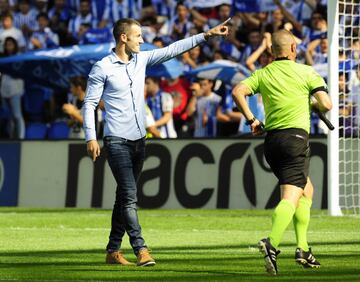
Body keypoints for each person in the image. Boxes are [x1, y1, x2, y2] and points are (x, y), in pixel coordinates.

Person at [82, 18, 230, 267]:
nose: (142, 40)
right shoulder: (102, 67)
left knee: (123, 197)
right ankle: (141, 249)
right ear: (123, 38)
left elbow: (172, 49)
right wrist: (90, 136)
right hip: (116, 140)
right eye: (138, 36)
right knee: (129, 197)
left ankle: (112, 251)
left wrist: (206, 35)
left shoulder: (141, 59)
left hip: (140, 141)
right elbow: (89, 104)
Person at [232, 29, 332, 275]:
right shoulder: (306, 72)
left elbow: (238, 92)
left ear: (271, 51)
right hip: (295, 140)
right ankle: (271, 242)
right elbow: (327, 104)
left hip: (272, 142)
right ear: (294, 49)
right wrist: (311, 102)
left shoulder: (263, 73)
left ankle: (303, 248)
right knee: (291, 196)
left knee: (306, 190)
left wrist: (252, 119)